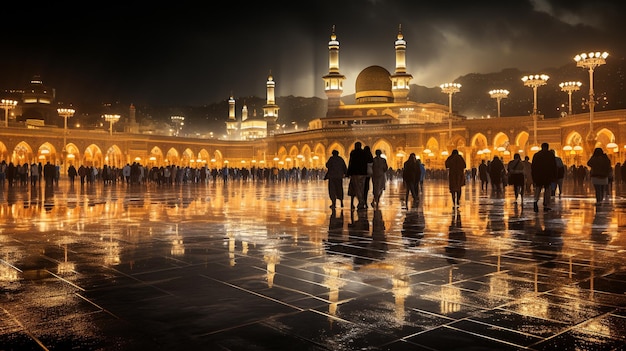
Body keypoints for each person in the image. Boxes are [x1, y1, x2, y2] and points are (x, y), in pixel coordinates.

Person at [531, 142, 557, 212]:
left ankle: (535, 202)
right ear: (547, 147)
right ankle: (545, 205)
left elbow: (533, 167)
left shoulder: (536, 155)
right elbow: (554, 166)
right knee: (547, 190)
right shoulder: (550, 155)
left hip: (539, 176)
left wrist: (533, 176)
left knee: (538, 190)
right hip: (547, 175)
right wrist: (554, 176)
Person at [346, 141, 368, 210]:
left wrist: (348, 172)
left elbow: (351, 163)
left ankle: (361, 202)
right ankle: (361, 201)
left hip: (355, 173)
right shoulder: (364, 153)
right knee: (361, 188)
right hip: (363, 173)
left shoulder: (353, 153)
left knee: (356, 187)